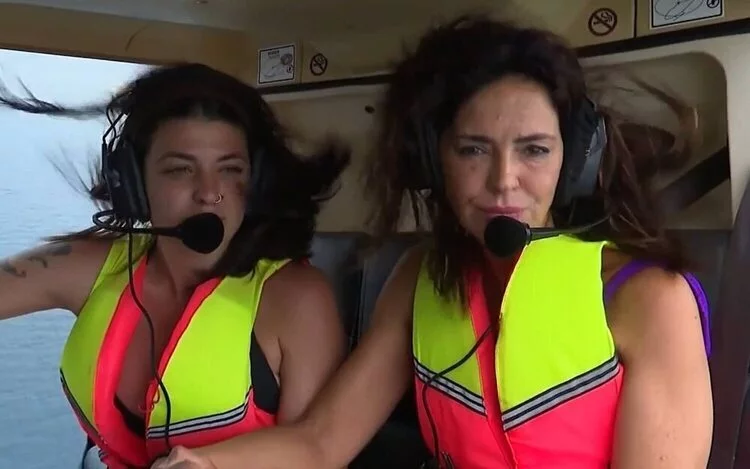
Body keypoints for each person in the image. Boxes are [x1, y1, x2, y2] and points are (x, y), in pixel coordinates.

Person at [150, 16, 713, 469]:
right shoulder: (421, 279)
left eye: (534, 150)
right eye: (473, 150)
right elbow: (321, 442)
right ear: (432, 162)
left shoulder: (648, 298)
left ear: (573, 165)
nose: (504, 180)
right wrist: (204, 462)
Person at [0, 63, 351, 468]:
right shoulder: (94, 265)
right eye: (181, 169)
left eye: (230, 170)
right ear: (133, 184)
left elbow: (317, 454)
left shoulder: (295, 301)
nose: (209, 193)